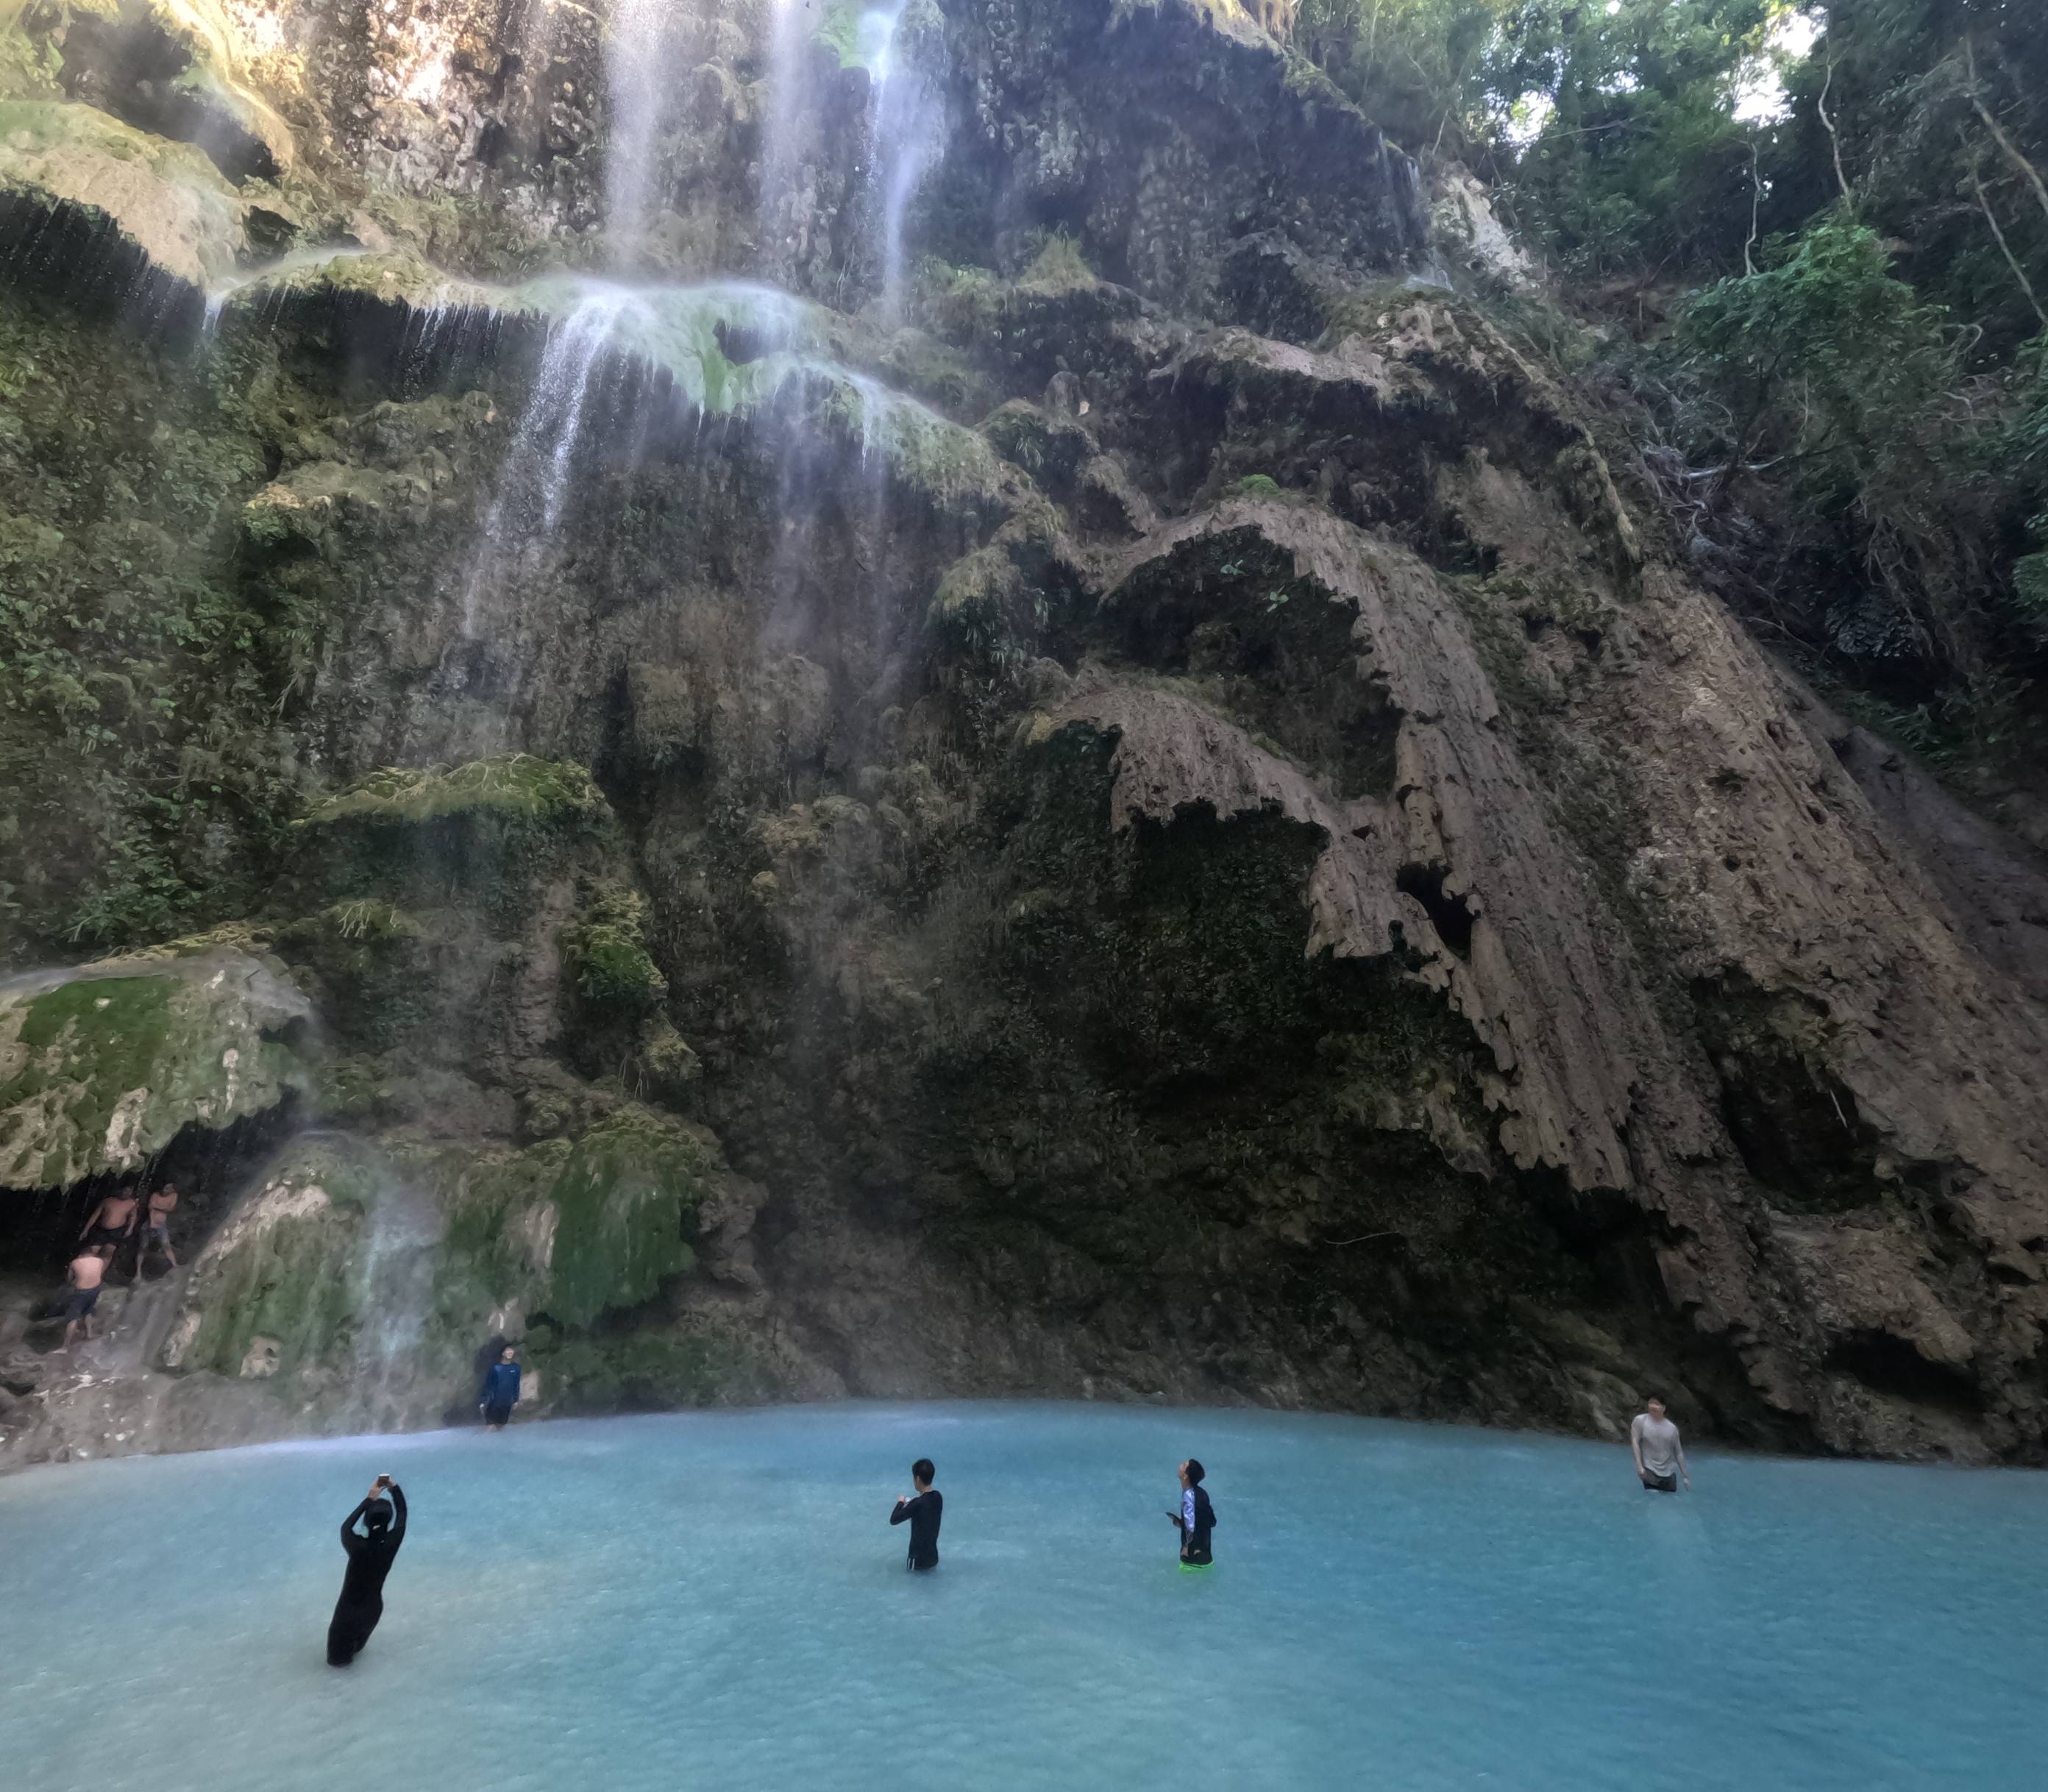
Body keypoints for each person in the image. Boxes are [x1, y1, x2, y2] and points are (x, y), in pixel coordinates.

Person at [328, 1474, 408, 1666]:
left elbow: (346, 1527)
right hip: (372, 1612)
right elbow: (403, 1513)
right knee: (356, 1653)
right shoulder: (392, 1543)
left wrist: (369, 1498)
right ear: (388, 1521)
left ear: (366, 1521)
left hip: (347, 1615)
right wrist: (394, 1487)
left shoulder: (356, 1546)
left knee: (338, 1665)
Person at [889, 1457, 943, 1572]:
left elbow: (893, 1520)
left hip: (917, 1561)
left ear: (917, 1479)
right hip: (933, 1558)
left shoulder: (917, 1504)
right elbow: (925, 1516)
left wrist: (901, 1502)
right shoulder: (938, 1497)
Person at [1631, 1397, 1691, 1493]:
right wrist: (1639, 1466)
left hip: (1669, 1473)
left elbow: (1678, 1452)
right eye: (1651, 1403)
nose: (1653, 1406)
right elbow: (1635, 1442)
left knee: (1669, 1500)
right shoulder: (1640, 1421)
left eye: (1656, 1404)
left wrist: (1685, 1476)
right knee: (1652, 1496)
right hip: (1649, 1469)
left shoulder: (1672, 1428)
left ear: (1664, 1408)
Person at [1170, 1457, 1216, 1567]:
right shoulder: (1203, 1493)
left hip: (1191, 1563)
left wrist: (1186, 1547)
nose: (1180, 1465)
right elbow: (1212, 1521)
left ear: (1185, 1476)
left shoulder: (1188, 1496)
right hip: (1207, 1560)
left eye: (1183, 1465)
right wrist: (1182, 1523)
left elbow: (1190, 1527)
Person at [60, 1247, 108, 1350]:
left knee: (72, 1317)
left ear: (80, 1255)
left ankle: (65, 1346)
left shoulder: (75, 1262)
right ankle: (89, 1334)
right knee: (88, 1310)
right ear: (92, 1253)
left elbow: (69, 1279)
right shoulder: (100, 1261)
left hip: (81, 1292)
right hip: (96, 1289)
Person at [79, 1187, 138, 1262]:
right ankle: (87, 1266)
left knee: (108, 1252)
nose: (126, 1193)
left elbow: (133, 1217)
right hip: (101, 1230)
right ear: (119, 1190)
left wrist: (130, 1229)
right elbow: (95, 1216)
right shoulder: (107, 1201)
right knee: (93, 1250)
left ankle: (101, 1268)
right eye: (125, 1191)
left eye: (129, 1191)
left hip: (117, 1231)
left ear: (131, 1193)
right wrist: (86, 1230)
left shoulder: (132, 1203)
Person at [479, 1343, 522, 1431]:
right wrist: (483, 1401)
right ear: (503, 1353)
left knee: (501, 1427)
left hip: (506, 1402)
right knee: (489, 1426)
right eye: (508, 1350)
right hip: (494, 1402)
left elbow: (516, 1385)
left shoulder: (516, 1368)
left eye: (511, 1350)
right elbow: (488, 1384)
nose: (510, 1352)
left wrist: (516, 1400)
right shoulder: (495, 1368)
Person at [141, 1183, 180, 1271]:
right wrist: (162, 1209)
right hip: (149, 1223)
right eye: (166, 1188)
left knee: (166, 1244)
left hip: (161, 1225)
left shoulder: (174, 1195)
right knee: (143, 1247)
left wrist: (158, 1208)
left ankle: (175, 1265)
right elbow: (151, 1207)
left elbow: (170, 1209)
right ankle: (138, 1271)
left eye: (170, 1189)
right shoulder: (155, 1195)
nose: (166, 1190)